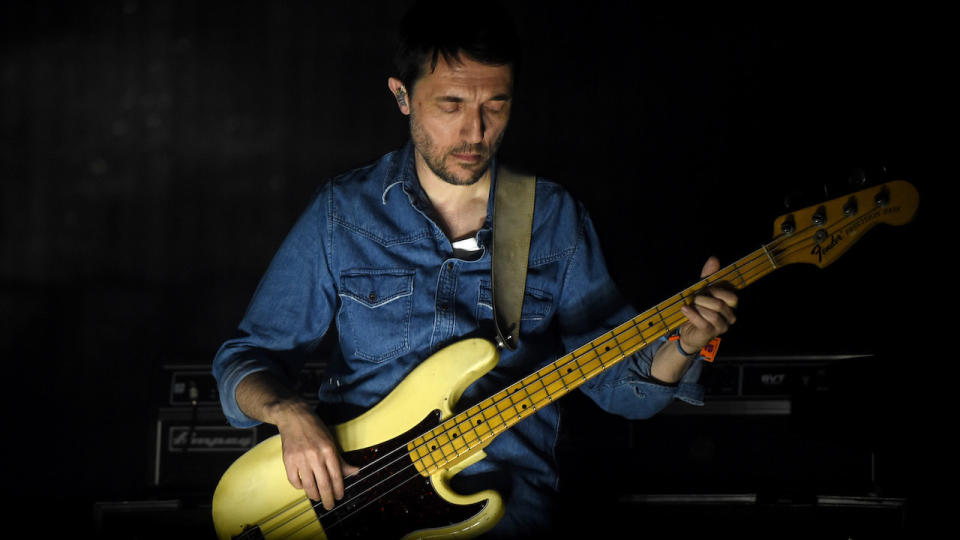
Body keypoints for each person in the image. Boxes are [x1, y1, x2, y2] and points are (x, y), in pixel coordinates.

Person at [212, 1, 737, 537]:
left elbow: (620, 389)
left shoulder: (552, 218)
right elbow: (245, 361)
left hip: (506, 512)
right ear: (402, 96)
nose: (475, 132)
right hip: (353, 506)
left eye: (496, 106)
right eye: (451, 105)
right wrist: (289, 412)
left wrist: (684, 345)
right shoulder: (342, 213)